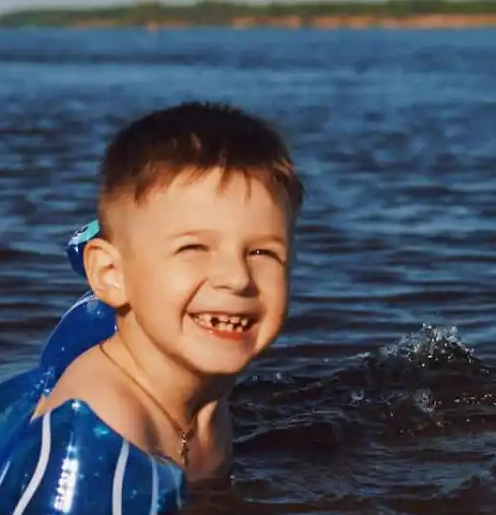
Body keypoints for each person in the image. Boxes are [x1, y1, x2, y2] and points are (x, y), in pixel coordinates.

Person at [32, 101, 304, 482]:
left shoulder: (202, 388)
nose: (237, 277)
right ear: (112, 274)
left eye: (262, 251)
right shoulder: (102, 431)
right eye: (193, 248)